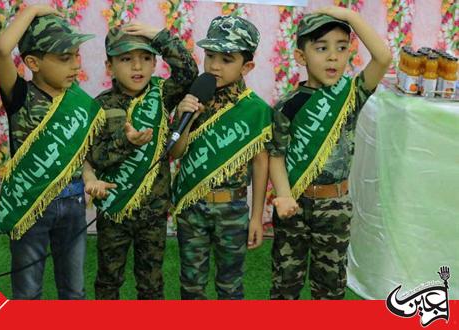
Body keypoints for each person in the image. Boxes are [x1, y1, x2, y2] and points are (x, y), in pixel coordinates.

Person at [267, 6, 392, 299]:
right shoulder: (288, 105)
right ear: (301, 56)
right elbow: (276, 154)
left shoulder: (351, 95)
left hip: (334, 205)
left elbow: (383, 58)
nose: (333, 56)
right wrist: (283, 195)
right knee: (285, 284)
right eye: (321, 48)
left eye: (341, 47)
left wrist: (349, 17)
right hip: (294, 205)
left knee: (330, 287)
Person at [0, 5, 101, 299]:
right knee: (28, 293)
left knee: (74, 290)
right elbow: (2, 49)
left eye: (77, 55)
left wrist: (90, 176)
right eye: (65, 58)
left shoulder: (76, 100)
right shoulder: (20, 95)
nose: (76, 65)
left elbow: (82, 154)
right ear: (33, 62)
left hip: (74, 203)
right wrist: (33, 9)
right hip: (31, 207)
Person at [82, 23, 198, 299]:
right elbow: (94, 156)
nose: (138, 67)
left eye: (146, 58)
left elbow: (189, 71)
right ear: (109, 65)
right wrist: (127, 143)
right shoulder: (100, 105)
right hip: (114, 209)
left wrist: (157, 36)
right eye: (126, 59)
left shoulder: (162, 93)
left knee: (151, 283)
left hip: (153, 212)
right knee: (109, 280)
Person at [170, 15, 272, 300]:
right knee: (191, 285)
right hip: (193, 207)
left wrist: (256, 217)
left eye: (227, 59)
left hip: (233, 208)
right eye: (210, 55)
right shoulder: (194, 97)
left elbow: (261, 163)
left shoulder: (255, 110)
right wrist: (184, 118)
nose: (215, 65)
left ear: (247, 66)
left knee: (230, 286)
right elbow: (175, 153)